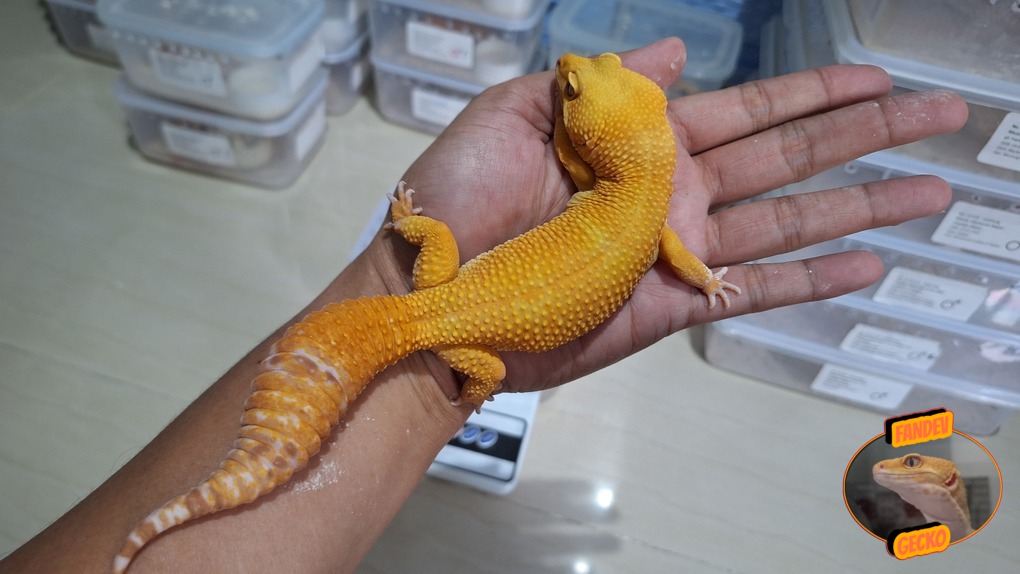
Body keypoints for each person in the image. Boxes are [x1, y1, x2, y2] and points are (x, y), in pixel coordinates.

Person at [0, 38, 966, 573]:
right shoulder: (648, 209)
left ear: (593, 146)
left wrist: (410, 240)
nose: (578, 71)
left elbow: (468, 281)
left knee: (423, 336)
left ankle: (216, 491)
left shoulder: (581, 196)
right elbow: (672, 252)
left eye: (585, 85)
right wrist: (701, 280)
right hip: (469, 334)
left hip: (449, 295)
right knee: (459, 364)